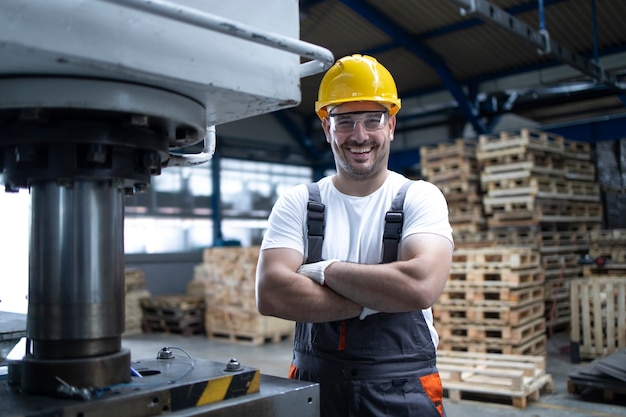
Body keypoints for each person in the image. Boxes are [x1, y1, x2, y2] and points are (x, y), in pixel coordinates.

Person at [256, 54, 453, 417]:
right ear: (327, 128)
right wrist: (379, 298)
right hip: (314, 388)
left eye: (372, 120)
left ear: (391, 125)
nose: (359, 136)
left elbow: (421, 285)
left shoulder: (418, 197)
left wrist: (322, 271)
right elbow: (270, 293)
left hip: (402, 390)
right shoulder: (298, 202)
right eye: (344, 121)